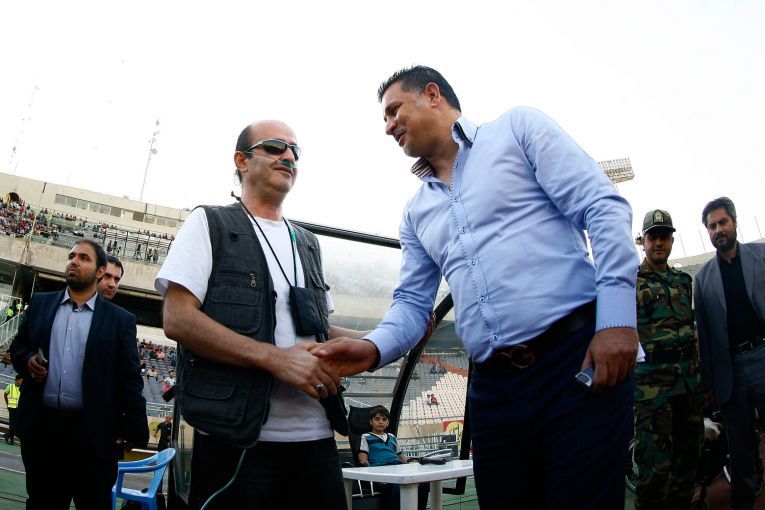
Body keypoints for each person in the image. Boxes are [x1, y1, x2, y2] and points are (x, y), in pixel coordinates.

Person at [316, 65, 639, 509]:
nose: (388, 126)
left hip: (572, 362)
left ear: (432, 94)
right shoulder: (415, 212)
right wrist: (373, 349)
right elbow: (411, 304)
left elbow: (602, 207)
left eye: (393, 110)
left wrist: (617, 321)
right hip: (493, 390)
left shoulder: (517, 130)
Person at [156, 119, 368, 509]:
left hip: (316, 438)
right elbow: (178, 318)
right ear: (242, 160)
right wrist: (275, 359)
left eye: (294, 151)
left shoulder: (307, 242)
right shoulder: (210, 222)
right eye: (274, 147)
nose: (288, 156)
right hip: (236, 441)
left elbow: (320, 330)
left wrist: (388, 339)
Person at [10, 239, 148, 509]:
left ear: (99, 271)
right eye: (72, 256)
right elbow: (17, 347)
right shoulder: (40, 304)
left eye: (84, 258)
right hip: (42, 430)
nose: (74, 261)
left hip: (93, 436)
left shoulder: (120, 320)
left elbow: (129, 378)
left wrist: (135, 427)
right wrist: (28, 361)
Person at [694, 197, 765, 510]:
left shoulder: (762, 255)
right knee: (740, 449)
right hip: (730, 371)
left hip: (762, 355)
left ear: (734, 222)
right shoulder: (702, 278)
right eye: (712, 226)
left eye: (723, 222)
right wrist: (709, 383)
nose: (718, 230)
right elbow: (705, 337)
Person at [632, 209, 704, 509]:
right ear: (643, 241)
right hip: (653, 391)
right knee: (654, 469)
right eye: (653, 237)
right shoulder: (631, 283)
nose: (659, 242)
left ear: (672, 240)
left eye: (664, 236)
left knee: (688, 460)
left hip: (688, 383)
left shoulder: (683, 281)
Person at [358, 405, 429, 510]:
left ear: (388, 423)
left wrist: (410, 468)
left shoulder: (392, 437)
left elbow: (402, 458)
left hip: (398, 468)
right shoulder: (365, 437)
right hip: (380, 470)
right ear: (371, 421)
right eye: (377, 419)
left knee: (425, 482)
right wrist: (372, 475)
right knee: (398, 486)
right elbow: (363, 460)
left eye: (384, 419)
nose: (381, 422)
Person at [3, 374, 22, 444]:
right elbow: (5, 394)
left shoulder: (21, 388)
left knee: (15, 425)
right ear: (16, 380)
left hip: (18, 408)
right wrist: (7, 404)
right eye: (20, 381)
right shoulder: (10, 386)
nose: (21, 382)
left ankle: (7, 435)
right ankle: (11, 439)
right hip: (11, 408)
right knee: (12, 424)